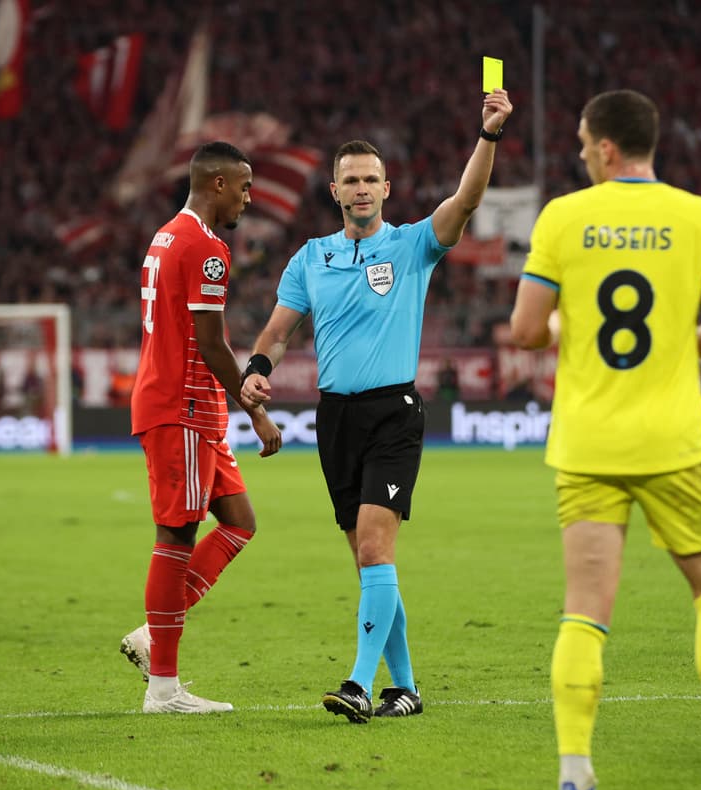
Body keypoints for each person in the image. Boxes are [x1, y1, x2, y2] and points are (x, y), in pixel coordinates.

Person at [509, 89, 701, 790]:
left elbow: (526, 331)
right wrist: (671, 341)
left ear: (604, 147)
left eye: (579, 142)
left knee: (584, 609)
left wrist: (568, 324)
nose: (576, 153)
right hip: (672, 440)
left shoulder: (562, 217)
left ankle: (574, 778)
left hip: (586, 441)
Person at [240, 88, 514, 723]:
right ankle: (408, 688)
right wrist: (257, 372)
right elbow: (278, 333)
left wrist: (489, 136)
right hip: (334, 419)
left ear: (387, 188)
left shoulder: (414, 244)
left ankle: (360, 685)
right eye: (349, 180)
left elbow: (467, 200)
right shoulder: (311, 257)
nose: (361, 189)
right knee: (369, 564)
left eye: (370, 179)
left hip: (393, 412)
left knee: (373, 549)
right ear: (334, 192)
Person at [119, 141, 282, 714]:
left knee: (239, 522)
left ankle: (154, 633)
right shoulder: (205, 248)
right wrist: (256, 409)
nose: (248, 197)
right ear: (217, 183)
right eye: (243, 186)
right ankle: (163, 686)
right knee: (177, 535)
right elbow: (209, 342)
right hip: (180, 407)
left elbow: (201, 336)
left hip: (195, 408)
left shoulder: (166, 235)